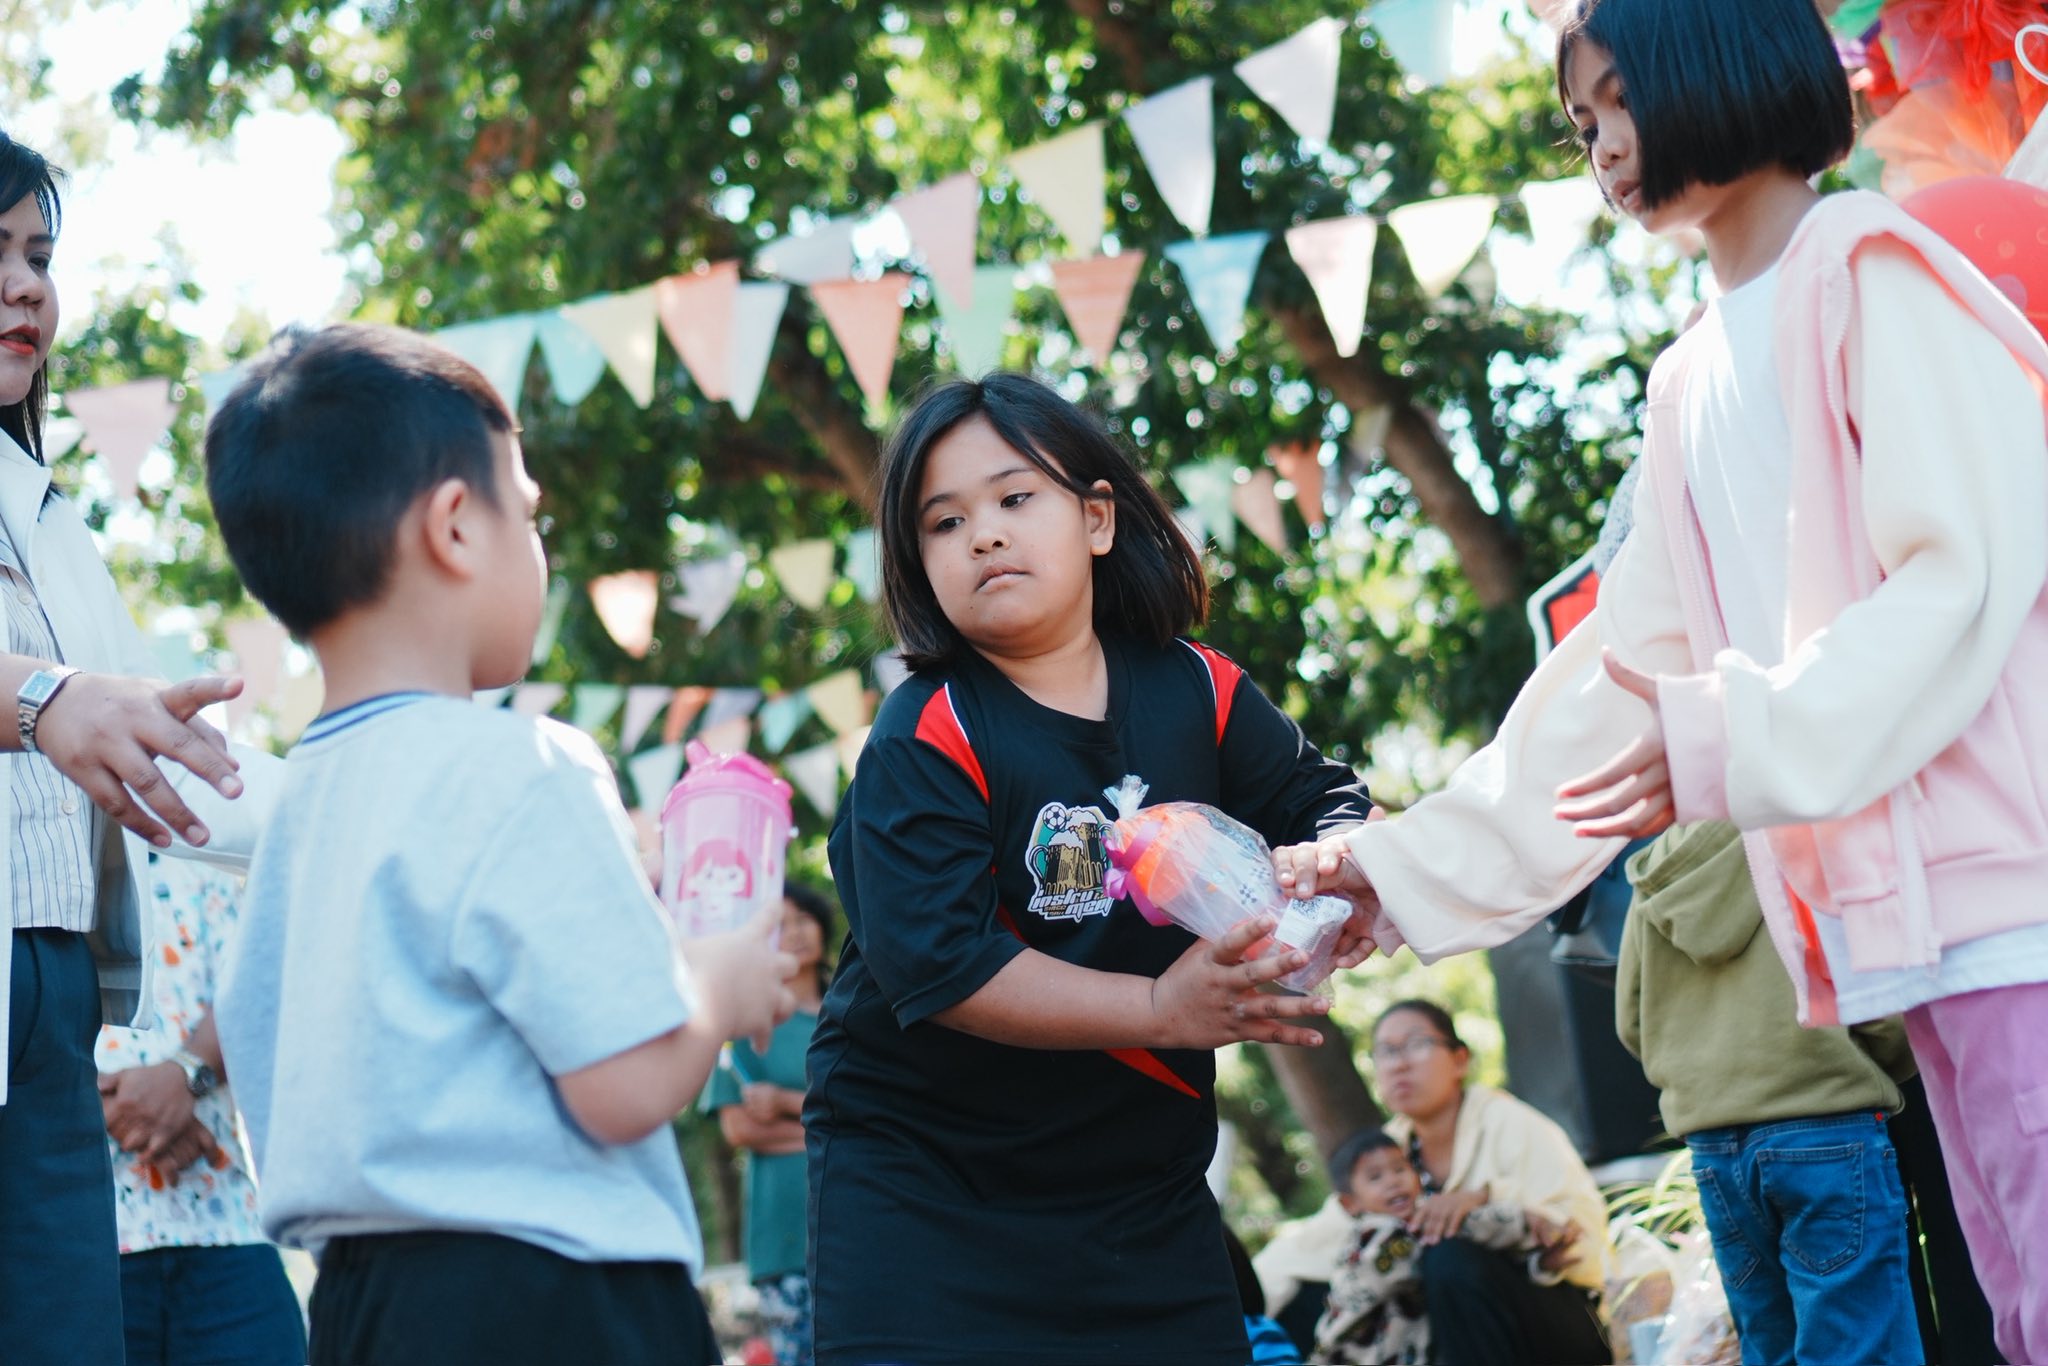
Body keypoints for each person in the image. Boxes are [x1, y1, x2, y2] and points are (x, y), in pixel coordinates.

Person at [1277, 1, 2048, 1357]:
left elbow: (1962, 577)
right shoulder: (1691, 380)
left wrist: (1740, 730)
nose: (1604, 147)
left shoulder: (1877, 271)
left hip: (2018, 901)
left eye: (1619, 101)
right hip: (1931, 946)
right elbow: (1623, 673)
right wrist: (1395, 865)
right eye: (1582, 126)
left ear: (1725, 64)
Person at [204, 323, 796, 1366]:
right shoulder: (526, 763)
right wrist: (718, 982)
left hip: (357, 1312)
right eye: (527, 514)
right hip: (552, 1301)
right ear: (454, 528)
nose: (539, 544)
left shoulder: (301, 807)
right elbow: (621, 1088)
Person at [806, 372, 1375, 1366]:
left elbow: (1322, 800)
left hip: (1134, 1186)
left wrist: (1340, 865)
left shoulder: (1198, 687)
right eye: (942, 522)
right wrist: (1161, 1008)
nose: (982, 533)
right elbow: (942, 964)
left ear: (1097, 518)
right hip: (921, 1180)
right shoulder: (923, 730)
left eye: (1013, 498)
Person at [0, 131, 271, 1361]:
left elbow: (153, 742)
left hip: (53, 999)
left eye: (40, 256)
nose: (26, 286)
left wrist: (360, 798)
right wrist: (42, 699)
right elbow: (61, 702)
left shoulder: (52, 522)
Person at [1616, 821, 1920, 1364]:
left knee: (1768, 1346)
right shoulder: (1804, 831)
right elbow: (1879, 996)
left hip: (1715, 1151)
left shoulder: (1660, 864)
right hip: (1827, 1124)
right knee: (1859, 1346)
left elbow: (1631, 1023)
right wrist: (1889, 1060)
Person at [97, 856, 305, 1366]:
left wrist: (183, 1077)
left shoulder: (195, 860)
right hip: (80, 1248)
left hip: (224, 1228)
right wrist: (119, 1106)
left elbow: (260, 988)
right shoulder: (23, 883)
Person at [1360, 1001, 1610, 1364]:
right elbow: (1325, 1239)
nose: (1399, 1063)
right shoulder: (1386, 1152)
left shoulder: (1514, 1124)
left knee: (1448, 1258)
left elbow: (1581, 1237)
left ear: (1460, 1060)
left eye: (1416, 1044)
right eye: (1385, 1051)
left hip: (1557, 1327)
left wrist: (1482, 1200)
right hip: (1447, 1339)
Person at [703, 882, 836, 1366]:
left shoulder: (858, 1014)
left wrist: (784, 1102)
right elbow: (740, 1131)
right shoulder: (744, 1025)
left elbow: (894, 1118)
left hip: (867, 1226)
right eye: (779, 924)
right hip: (785, 1239)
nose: (796, 932)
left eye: (804, 918)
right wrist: (839, 1133)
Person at [1313, 1126, 1568, 1365]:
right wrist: (1522, 1221)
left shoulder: (1417, 1224)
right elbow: (1467, 1226)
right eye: (1375, 1177)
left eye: (1400, 1169)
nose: (1393, 1181)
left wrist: (1540, 1264)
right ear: (1350, 1203)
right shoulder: (1377, 1239)